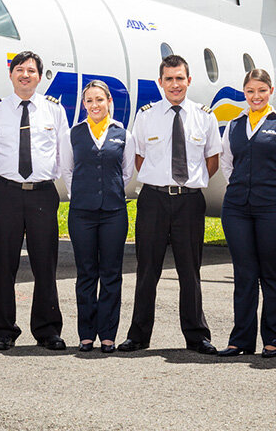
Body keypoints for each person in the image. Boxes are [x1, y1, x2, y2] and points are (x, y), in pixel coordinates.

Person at [118, 54, 222, 354]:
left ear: (189, 81)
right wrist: (160, 179)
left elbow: (211, 160)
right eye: (169, 79)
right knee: (147, 270)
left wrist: (187, 182)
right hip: (153, 200)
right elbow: (139, 157)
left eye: (180, 78)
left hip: (189, 201)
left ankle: (197, 335)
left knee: (190, 271)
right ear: (160, 82)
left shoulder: (204, 116)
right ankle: (138, 335)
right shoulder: (146, 115)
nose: (174, 84)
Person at [218, 68, 276, 358]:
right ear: (244, 94)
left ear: (270, 91)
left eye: (261, 91)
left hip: (274, 208)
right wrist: (239, 185)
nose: (255, 97)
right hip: (237, 208)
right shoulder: (234, 125)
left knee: (271, 272)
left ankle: (272, 339)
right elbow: (226, 161)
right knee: (244, 273)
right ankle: (241, 340)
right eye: (250, 92)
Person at [0, 50, 69, 351]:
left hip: (43, 194)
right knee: (3, 265)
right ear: (11, 75)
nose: (24, 75)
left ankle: (47, 331)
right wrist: (9, 182)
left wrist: (43, 180)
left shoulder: (54, 111)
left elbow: (62, 155)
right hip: (6, 193)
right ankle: (4, 330)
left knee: (45, 265)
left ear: (39, 75)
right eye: (19, 70)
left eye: (31, 70)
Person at [59, 80, 136, 353]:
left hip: (114, 212)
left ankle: (108, 335)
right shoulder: (73, 134)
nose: (95, 105)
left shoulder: (122, 134)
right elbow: (66, 170)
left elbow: (127, 172)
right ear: (84, 105)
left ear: (109, 102)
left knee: (112, 274)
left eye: (99, 100)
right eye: (89, 101)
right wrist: (83, 193)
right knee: (86, 274)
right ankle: (86, 334)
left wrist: (109, 191)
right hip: (82, 213)